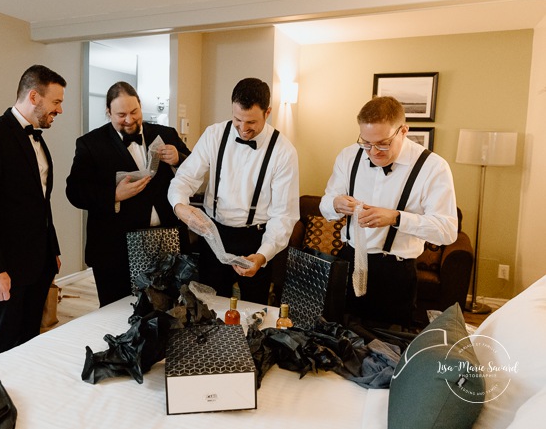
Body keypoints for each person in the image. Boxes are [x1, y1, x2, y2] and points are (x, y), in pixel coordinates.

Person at [320, 96, 458, 327]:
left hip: (395, 272)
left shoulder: (433, 167)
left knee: (387, 349)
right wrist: (335, 204)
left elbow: (447, 231)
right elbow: (325, 203)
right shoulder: (348, 156)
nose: (373, 152)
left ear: (403, 131)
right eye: (366, 143)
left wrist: (396, 218)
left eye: (383, 144)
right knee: (339, 339)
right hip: (348, 260)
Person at [0, 64, 65, 363]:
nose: (60, 110)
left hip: (37, 262)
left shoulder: (38, 138)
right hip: (4, 267)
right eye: (56, 102)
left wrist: (51, 249)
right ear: (34, 96)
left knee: (28, 340)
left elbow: (40, 202)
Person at [168, 78, 299, 305]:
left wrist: (262, 255)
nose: (243, 128)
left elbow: (284, 215)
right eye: (237, 119)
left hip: (257, 239)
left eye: (251, 122)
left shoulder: (284, 151)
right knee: (209, 306)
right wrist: (180, 206)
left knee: (254, 309)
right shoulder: (214, 134)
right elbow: (185, 178)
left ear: (268, 112)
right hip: (214, 233)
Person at [66, 81, 191, 307]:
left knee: (171, 312)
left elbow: (194, 171)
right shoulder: (90, 144)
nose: (130, 119)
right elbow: (75, 192)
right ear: (108, 112)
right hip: (115, 248)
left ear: (141, 106)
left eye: (134, 112)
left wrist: (179, 158)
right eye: (121, 114)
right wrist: (113, 194)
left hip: (168, 241)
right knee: (118, 314)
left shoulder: (166, 134)